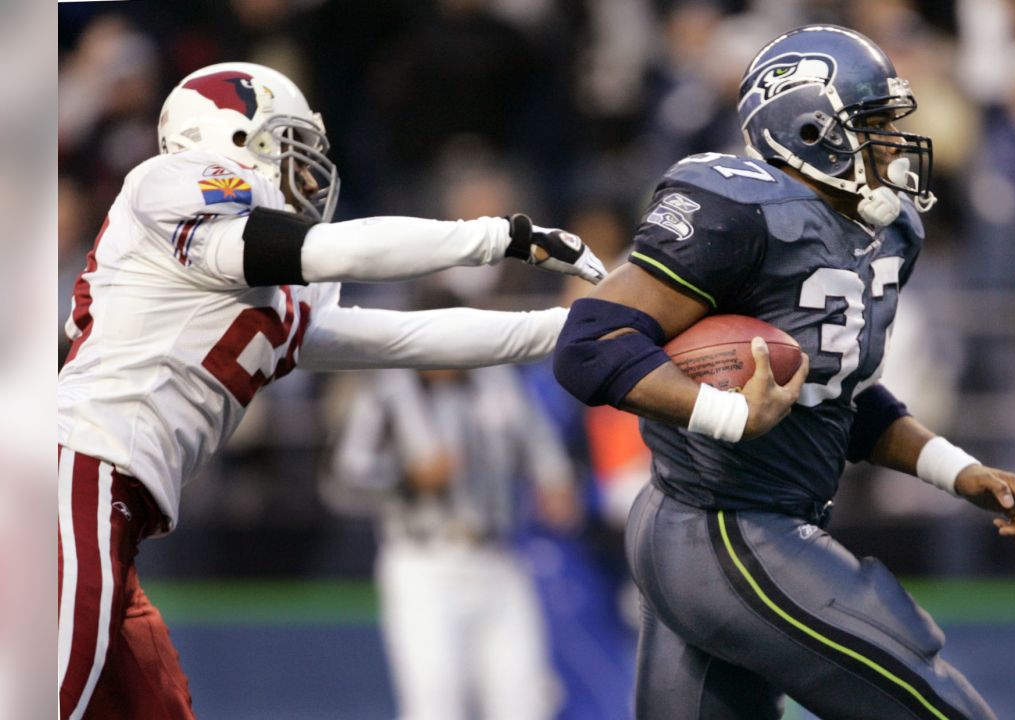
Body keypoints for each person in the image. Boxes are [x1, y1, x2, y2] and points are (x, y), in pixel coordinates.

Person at [56, 62, 604, 720]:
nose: (308, 169)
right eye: (285, 143)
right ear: (230, 136)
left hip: (115, 497)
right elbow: (326, 252)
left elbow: (408, 339)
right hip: (78, 465)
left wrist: (572, 326)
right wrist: (499, 237)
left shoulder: (264, 285)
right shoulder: (169, 185)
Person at [553, 26, 1015, 720]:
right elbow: (591, 342)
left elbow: (840, 398)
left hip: (736, 534)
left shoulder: (887, 232)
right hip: (721, 528)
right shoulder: (740, 211)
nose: (897, 146)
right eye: (876, 128)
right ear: (813, 129)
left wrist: (955, 470)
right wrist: (726, 413)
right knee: (930, 702)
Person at [324, 363, 578, 720]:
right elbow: (344, 478)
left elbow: (538, 440)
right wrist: (407, 476)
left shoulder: (498, 380)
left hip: (498, 560)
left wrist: (554, 479)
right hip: (425, 564)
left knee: (525, 701)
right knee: (436, 702)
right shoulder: (386, 391)